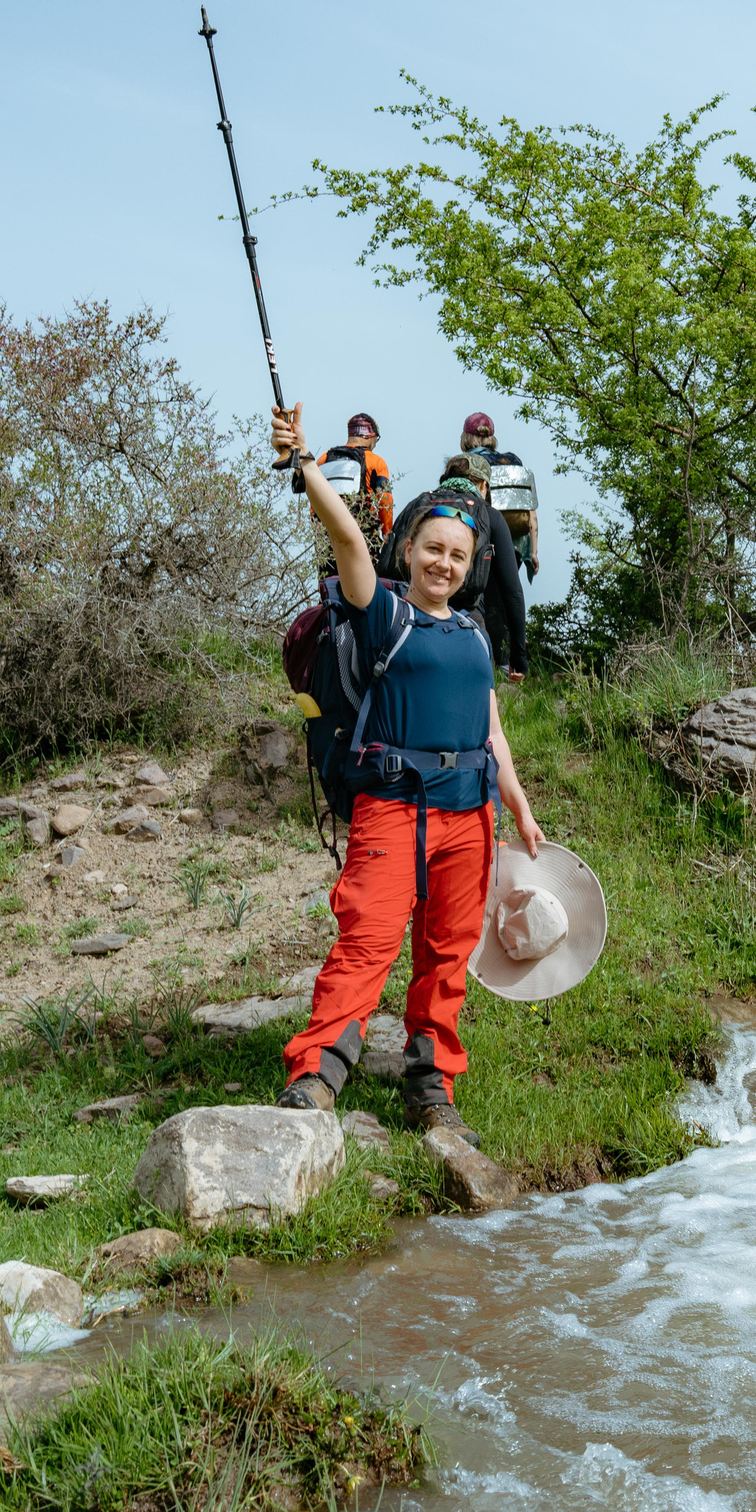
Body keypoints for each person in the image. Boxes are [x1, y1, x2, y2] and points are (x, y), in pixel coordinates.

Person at [269, 403, 545, 1143]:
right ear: (410, 548)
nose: (443, 564)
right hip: (393, 809)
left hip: (470, 814)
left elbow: (489, 722)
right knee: (367, 941)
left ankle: (432, 1086)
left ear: (473, 562)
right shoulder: (383, 612)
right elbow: (348, 537)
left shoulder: (473, 632)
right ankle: (316, 1073)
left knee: (449, 953)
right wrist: (303, 464)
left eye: (457, 555)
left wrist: (515, 803)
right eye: (432, 550)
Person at [391, 450, 530, 684]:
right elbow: (512, 591)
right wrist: (518, 655)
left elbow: (386, 564)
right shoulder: (489, 515)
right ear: (484, 486)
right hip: (467, 617)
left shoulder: (418, 505)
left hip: (409, 612)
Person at [461, 411, 539, 582]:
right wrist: (533, 552)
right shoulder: (514, 461)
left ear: (466, 437)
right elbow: (530, 512)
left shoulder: (466, 463)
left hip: (482, 542)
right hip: (516, 544)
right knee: (507, 596)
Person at [317, 412, 394, 559]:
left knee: (328, 581)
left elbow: (314, 498)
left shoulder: (324, 459)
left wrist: (318, 531)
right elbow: (385, 501)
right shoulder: (377, 462)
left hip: (328, 537)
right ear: (369, 436)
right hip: (363, 537)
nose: (375, 445)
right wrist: (387, 537)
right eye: (376, 441)